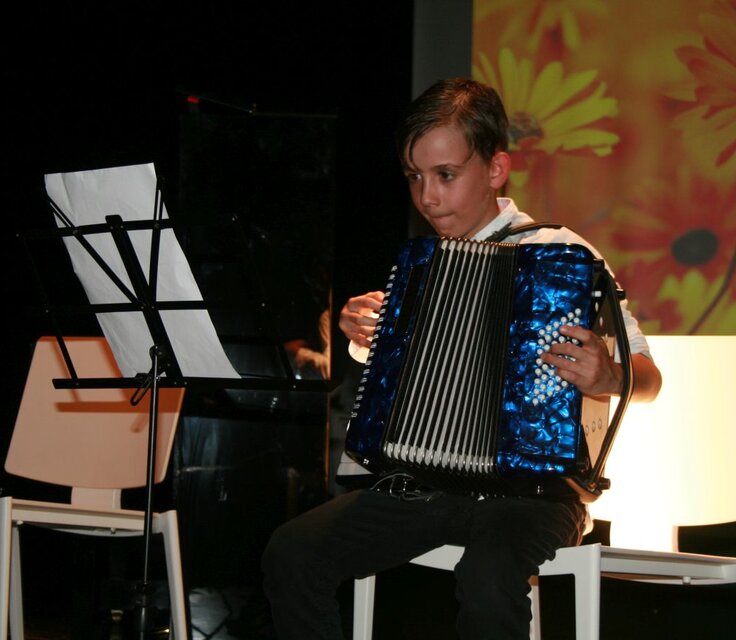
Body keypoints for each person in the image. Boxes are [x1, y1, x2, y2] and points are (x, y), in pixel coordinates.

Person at [261, 77, 662, 639]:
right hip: (429, 485)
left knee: (487, 580)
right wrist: (363, 332)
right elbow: (408, 377)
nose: (427, 196)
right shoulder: (422, 265)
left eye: (445, 175)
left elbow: (649, 379)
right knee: (292, 552)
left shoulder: (560, 254)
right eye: (414, 177)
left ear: (496, 169)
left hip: (537, 494)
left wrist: (609, 374)